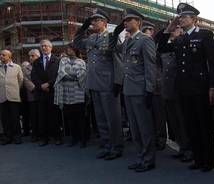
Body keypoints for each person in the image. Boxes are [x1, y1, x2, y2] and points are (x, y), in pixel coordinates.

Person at [161, 3, 214, 172]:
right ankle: (198, 158)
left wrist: (213, 87)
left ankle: (208, 160)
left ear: (193, 19)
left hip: (201, 88)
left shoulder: (204, 34)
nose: (181, 19)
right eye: (179, 17)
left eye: (184, 17)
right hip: (184, 89)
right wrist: (168, 30)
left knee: (204, 125)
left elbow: (213, 63)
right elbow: (162, 48)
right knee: (191, 125)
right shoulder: (179, 38)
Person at [73, 9, 123, 160]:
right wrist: (83, 27)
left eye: (96, 20)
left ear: (105, 23)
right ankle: (106, 145)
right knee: (100, 117)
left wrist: (118, 82)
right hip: (94, 82)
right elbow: (77, 43)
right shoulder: (92, 38)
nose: (93, 22)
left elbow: (118, 62)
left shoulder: (111, 37)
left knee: (112, 117)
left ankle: (116, 146)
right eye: (92, 20)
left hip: (108, 83)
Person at [120, 8, 157, 172]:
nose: (125, 22)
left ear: (138, 23)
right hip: (128, 89)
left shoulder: (145, 40)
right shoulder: (127, 41)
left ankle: (148, 159)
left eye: (129, 20)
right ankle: (140, 157)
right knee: (134, 128)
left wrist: (150, 90)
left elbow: (150, 67)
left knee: (144, 127)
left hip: (141, 90)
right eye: (125, 20)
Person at [156, 25, 193, 162]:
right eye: (174, 28)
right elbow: (160, 46)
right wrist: (167, 30)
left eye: (178, 28)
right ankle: (182, 147)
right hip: (167, 89)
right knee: (174, 122)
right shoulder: (167, 46)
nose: (175, 31)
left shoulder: (183, 44)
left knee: (183, 121)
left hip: (179, 90)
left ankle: (189, 148)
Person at [54, 43, 87, 148]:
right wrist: (72, 75)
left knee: (80, 117)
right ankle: (74, 138)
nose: (68, 50)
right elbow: (60, 72)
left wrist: (70, 75)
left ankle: (83, 139)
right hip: (67, 93)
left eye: (70, 48)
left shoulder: (81, 61)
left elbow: (82, 74)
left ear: (75, 50)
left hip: (78, 92)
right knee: (70, 118)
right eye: (67, 48)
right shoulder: (63, 60)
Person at [142, 20, 168, 151]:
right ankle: (152, 138)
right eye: (144, 31)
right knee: (148, 115)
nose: (146, 34)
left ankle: (161, 139)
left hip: (157, 85)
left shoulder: (156, 45)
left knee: (159, 115)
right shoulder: (141, 44)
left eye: (148, 31)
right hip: (144, 85)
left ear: (152, 32)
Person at [31, 39, 62, 146]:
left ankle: (57, 136)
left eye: (46, 46)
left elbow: (58, 75)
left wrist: (48, 84)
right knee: (42, 117)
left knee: (55, 116)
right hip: (41, 93)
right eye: (42, 46)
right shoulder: (36, 62)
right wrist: (41, 86)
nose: (44, 48)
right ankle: (44, 138)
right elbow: (33, 76)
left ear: (51, 47)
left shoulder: (57, 60)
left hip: (53, 91)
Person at [0, 49, 23, 145]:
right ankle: (7, 137)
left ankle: (17, 137)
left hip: (13, 96)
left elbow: (20, 80)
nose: (1, 56)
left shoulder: (16, 67)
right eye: (0, 55)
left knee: (15, 118)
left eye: (3, 55)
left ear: (9, 57)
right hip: (2, 96)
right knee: (5, 119)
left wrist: (14, 90)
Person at [21, 49, 40, 142]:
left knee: (42, 115)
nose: (31, 57)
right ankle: (35, 134)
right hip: (32, 94)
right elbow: (25, 80)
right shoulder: (25, 67)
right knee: (33, 116)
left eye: (33, 56)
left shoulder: (42, 66)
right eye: (30, 56)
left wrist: (41, 87)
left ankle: (44, 133)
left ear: (38, 56)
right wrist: (35, 88)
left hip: (43, 93)